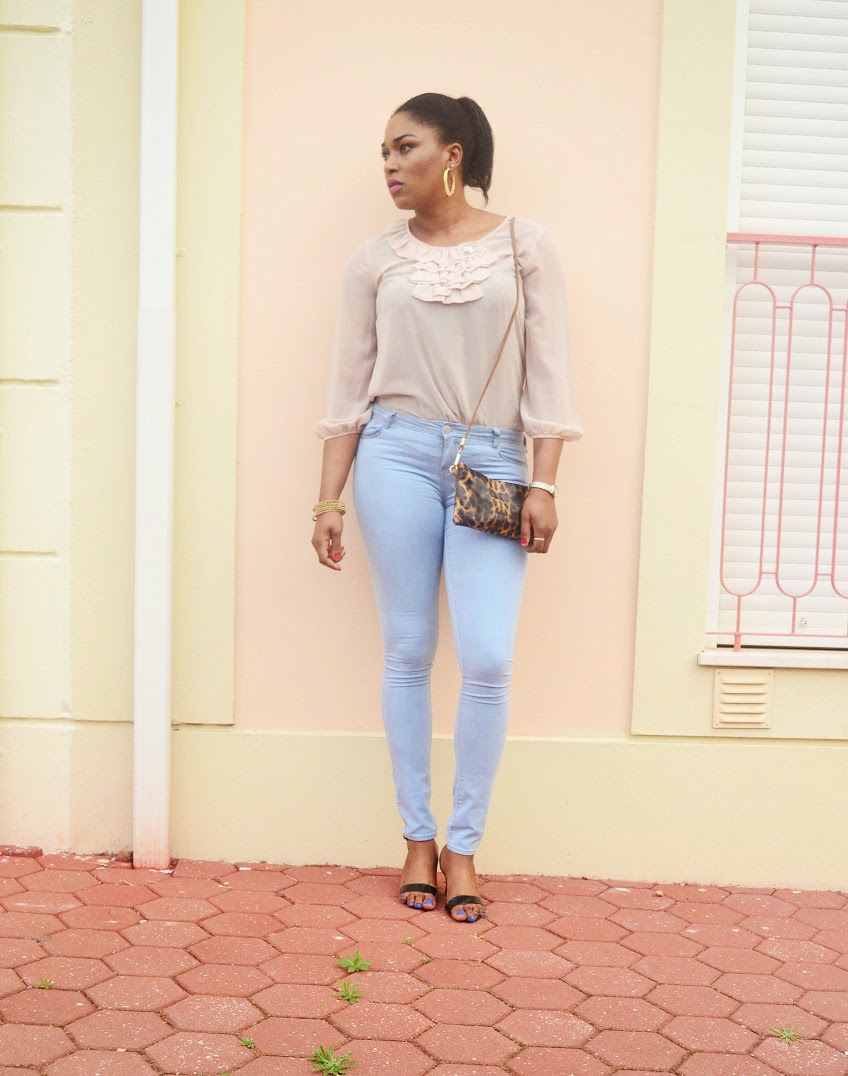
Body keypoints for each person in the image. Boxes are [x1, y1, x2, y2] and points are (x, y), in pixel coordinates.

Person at [312, 92, 583, 922]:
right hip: (393, 452)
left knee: (488, 658)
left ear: (453, 155)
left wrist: (546, 483)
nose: (390, 165)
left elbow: (550, 372)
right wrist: (327, 498)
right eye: (383, 153)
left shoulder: (524, 246)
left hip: (495, 458)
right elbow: (348, 384)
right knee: (408, 650)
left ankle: (465, 844)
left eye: (405, 147)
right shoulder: (375, 261)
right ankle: (418, 840)